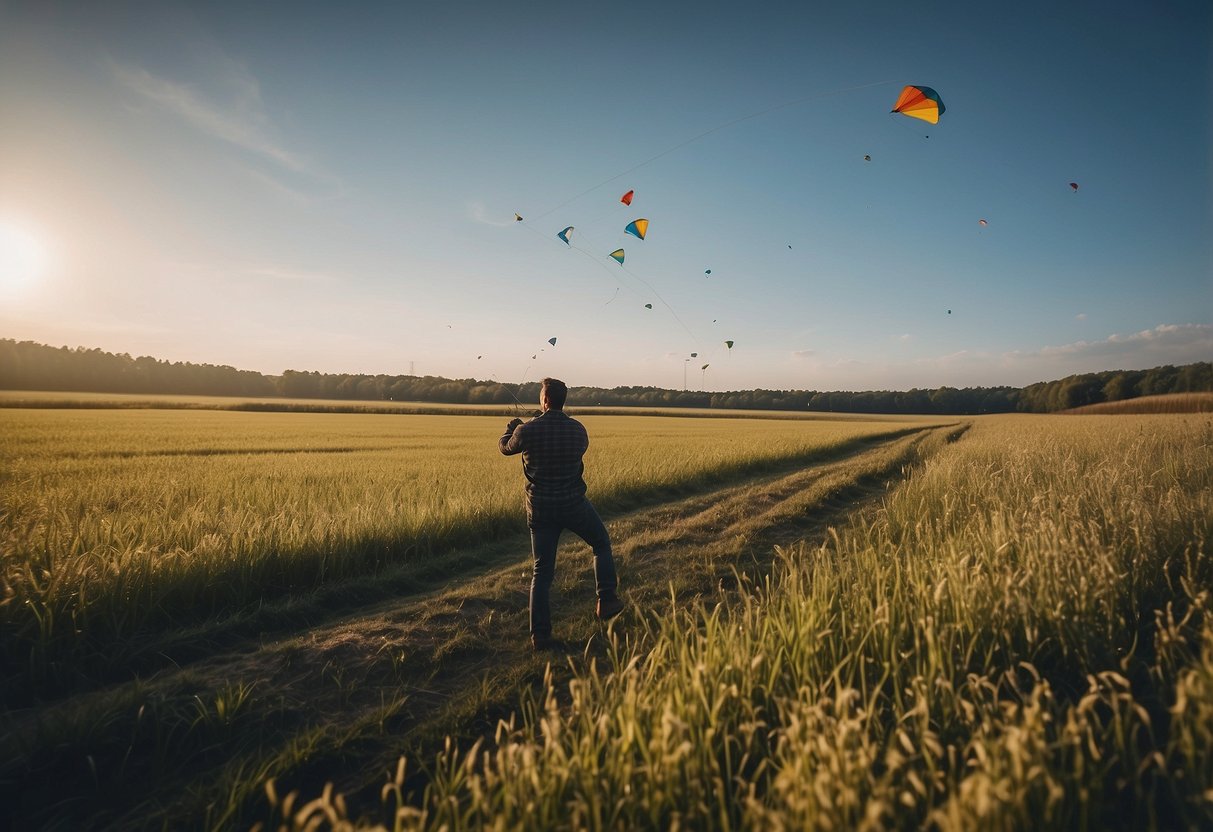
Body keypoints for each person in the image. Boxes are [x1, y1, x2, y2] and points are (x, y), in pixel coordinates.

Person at [499, 377, 623, 649]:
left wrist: (512, 429)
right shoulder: (579, 430)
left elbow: (506, 448)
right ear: (561, 401)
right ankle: (606, 599)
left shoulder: (527, 431)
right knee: (601, 543)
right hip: (573, 504)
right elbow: (571, 451)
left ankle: (540, 635)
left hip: (541, 509)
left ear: (544, 400)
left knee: (541, 571)